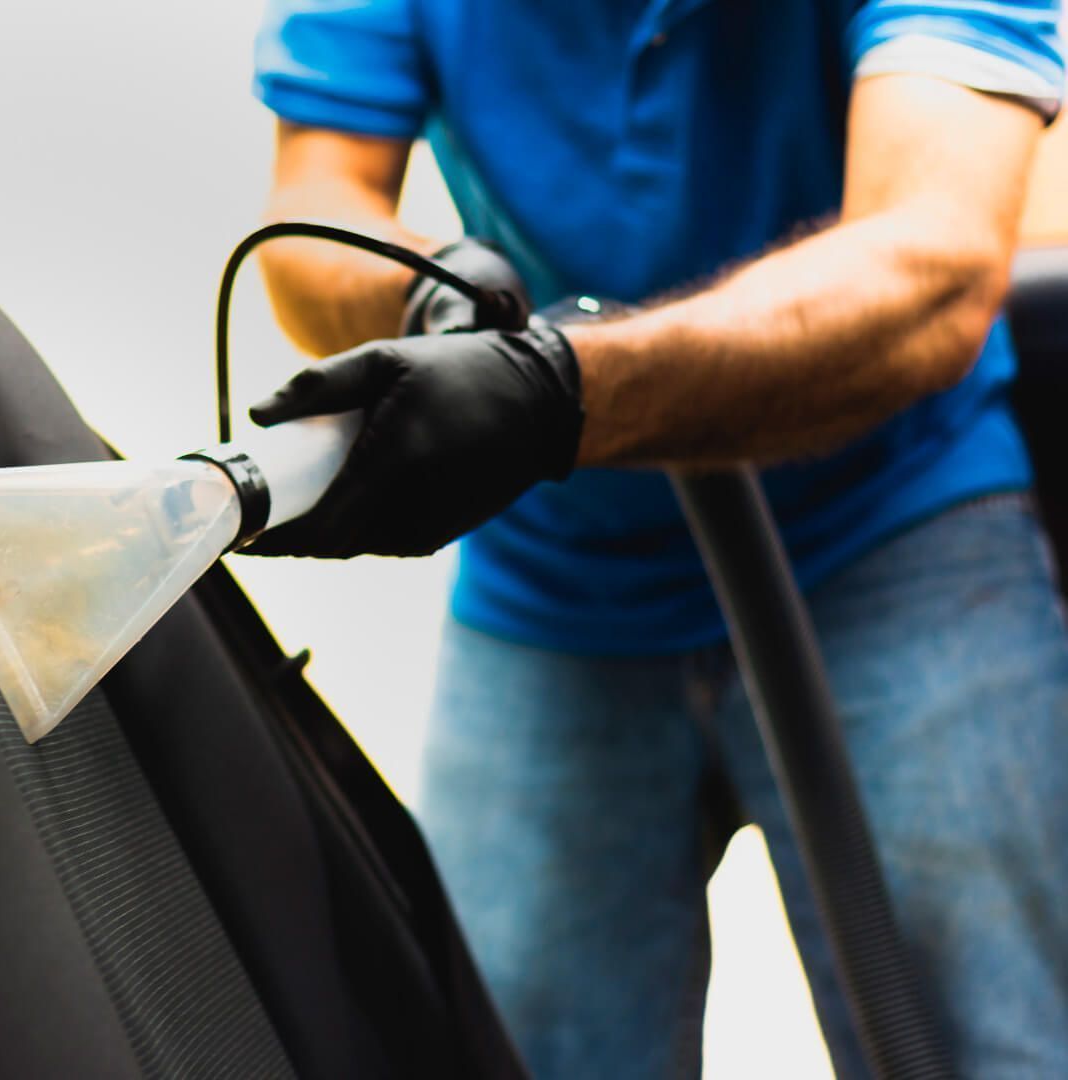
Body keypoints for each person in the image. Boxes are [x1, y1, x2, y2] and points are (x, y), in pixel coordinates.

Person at [246, 2, 1068, 1077]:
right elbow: (315, 206)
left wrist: (563, 389)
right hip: (556, 581)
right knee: (506, 1052)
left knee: (991, 1049)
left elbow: (933, 264)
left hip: (892, 533)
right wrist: (431, 295)